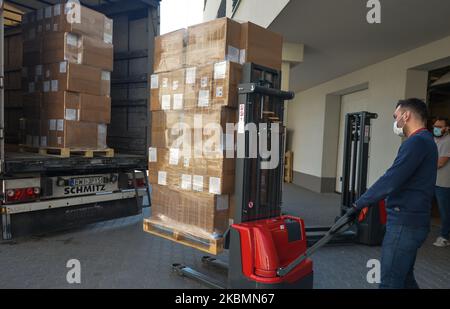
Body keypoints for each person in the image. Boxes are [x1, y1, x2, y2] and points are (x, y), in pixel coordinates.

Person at [346, 98, 438, 289]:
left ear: (406, 115)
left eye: (396, 116)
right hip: (413, 221)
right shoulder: (426, 141)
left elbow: (391, 179)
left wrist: (359, 203)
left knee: (389, 281)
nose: (395, 122)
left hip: (404, 224)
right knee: (404, 279)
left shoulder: (416, 142)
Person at [433, 117, 450, 247]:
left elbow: (441, 162)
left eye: (439, 126)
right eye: (435, 126)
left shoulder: (447, 141)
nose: (436, 128)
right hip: (433, 180)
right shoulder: (436, 139)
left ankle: (445, 237)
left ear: (447, 128)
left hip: (444, 183)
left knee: (445, 210)